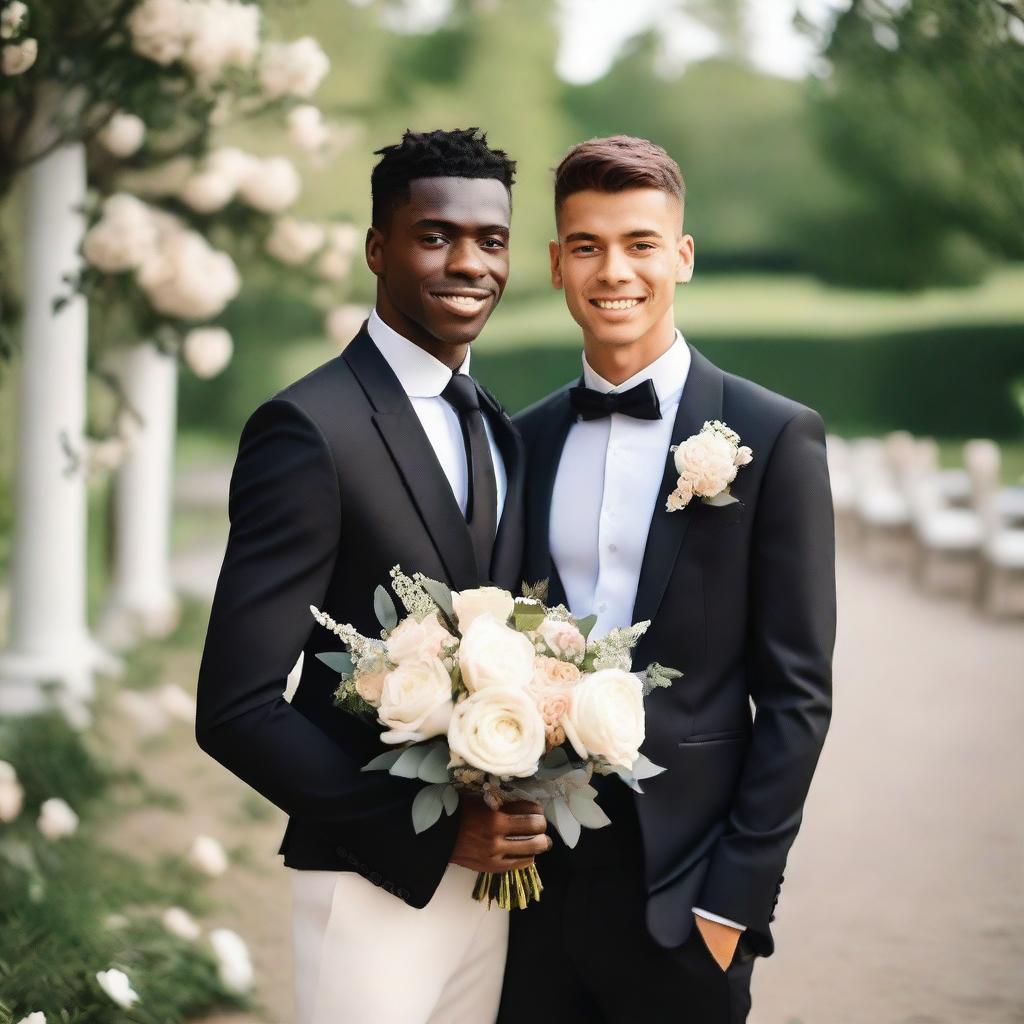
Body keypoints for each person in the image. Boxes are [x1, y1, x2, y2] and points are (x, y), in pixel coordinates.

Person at [195, 127, 549, 1024]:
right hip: (368, 883)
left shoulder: (499, 428)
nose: (469, 262)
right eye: (436, 236)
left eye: (491, 240)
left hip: (493, 897)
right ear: (377, 248)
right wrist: (427, 835)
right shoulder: (307, 429)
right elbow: (235, 707)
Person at [499, 135, 835, 1024]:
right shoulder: (520, 442)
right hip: (530, 887)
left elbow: (797, 696)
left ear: (681, 256)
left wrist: (733, 906)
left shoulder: (775, 437)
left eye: (641, 243)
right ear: (556, 265)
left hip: (686, 895)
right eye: (587, 246)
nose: (614, 271)